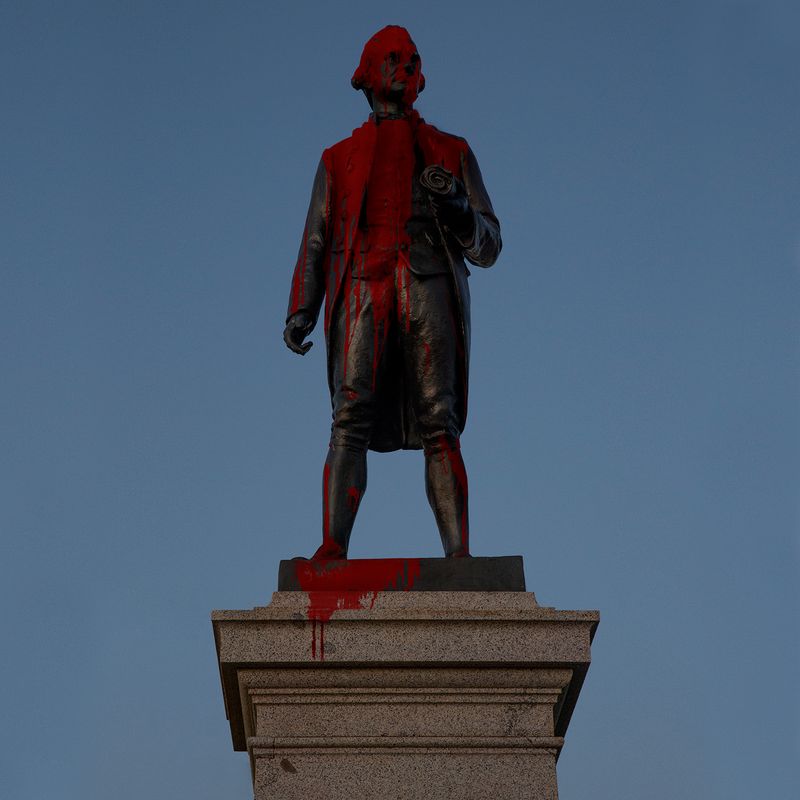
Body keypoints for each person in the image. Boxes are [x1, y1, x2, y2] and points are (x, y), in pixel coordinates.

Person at [284, 25, 501, 560]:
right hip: (361, 287)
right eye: (393, 58)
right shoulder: (338, 158)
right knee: (348, 418)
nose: (406, 65)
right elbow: (316, 237)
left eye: (413, 58)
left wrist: (456, 206)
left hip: (427, 284)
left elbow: (490, 244)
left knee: (439, 421)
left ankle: (458, 557)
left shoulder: (453, 151)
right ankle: (333, 546)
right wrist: (302, 308)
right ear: (368, 74)